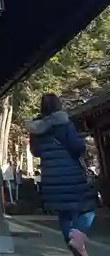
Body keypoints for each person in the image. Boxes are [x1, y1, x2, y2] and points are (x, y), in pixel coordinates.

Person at [25, 93, 96, 256]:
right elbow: (77, 147)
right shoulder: (65, 124)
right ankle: (78, 234)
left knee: (64, 213)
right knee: (89, 206)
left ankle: (74, 247)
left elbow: (35, 152)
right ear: (59, 105)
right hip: (71, 174)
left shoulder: (36, 128)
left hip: (50, 176)